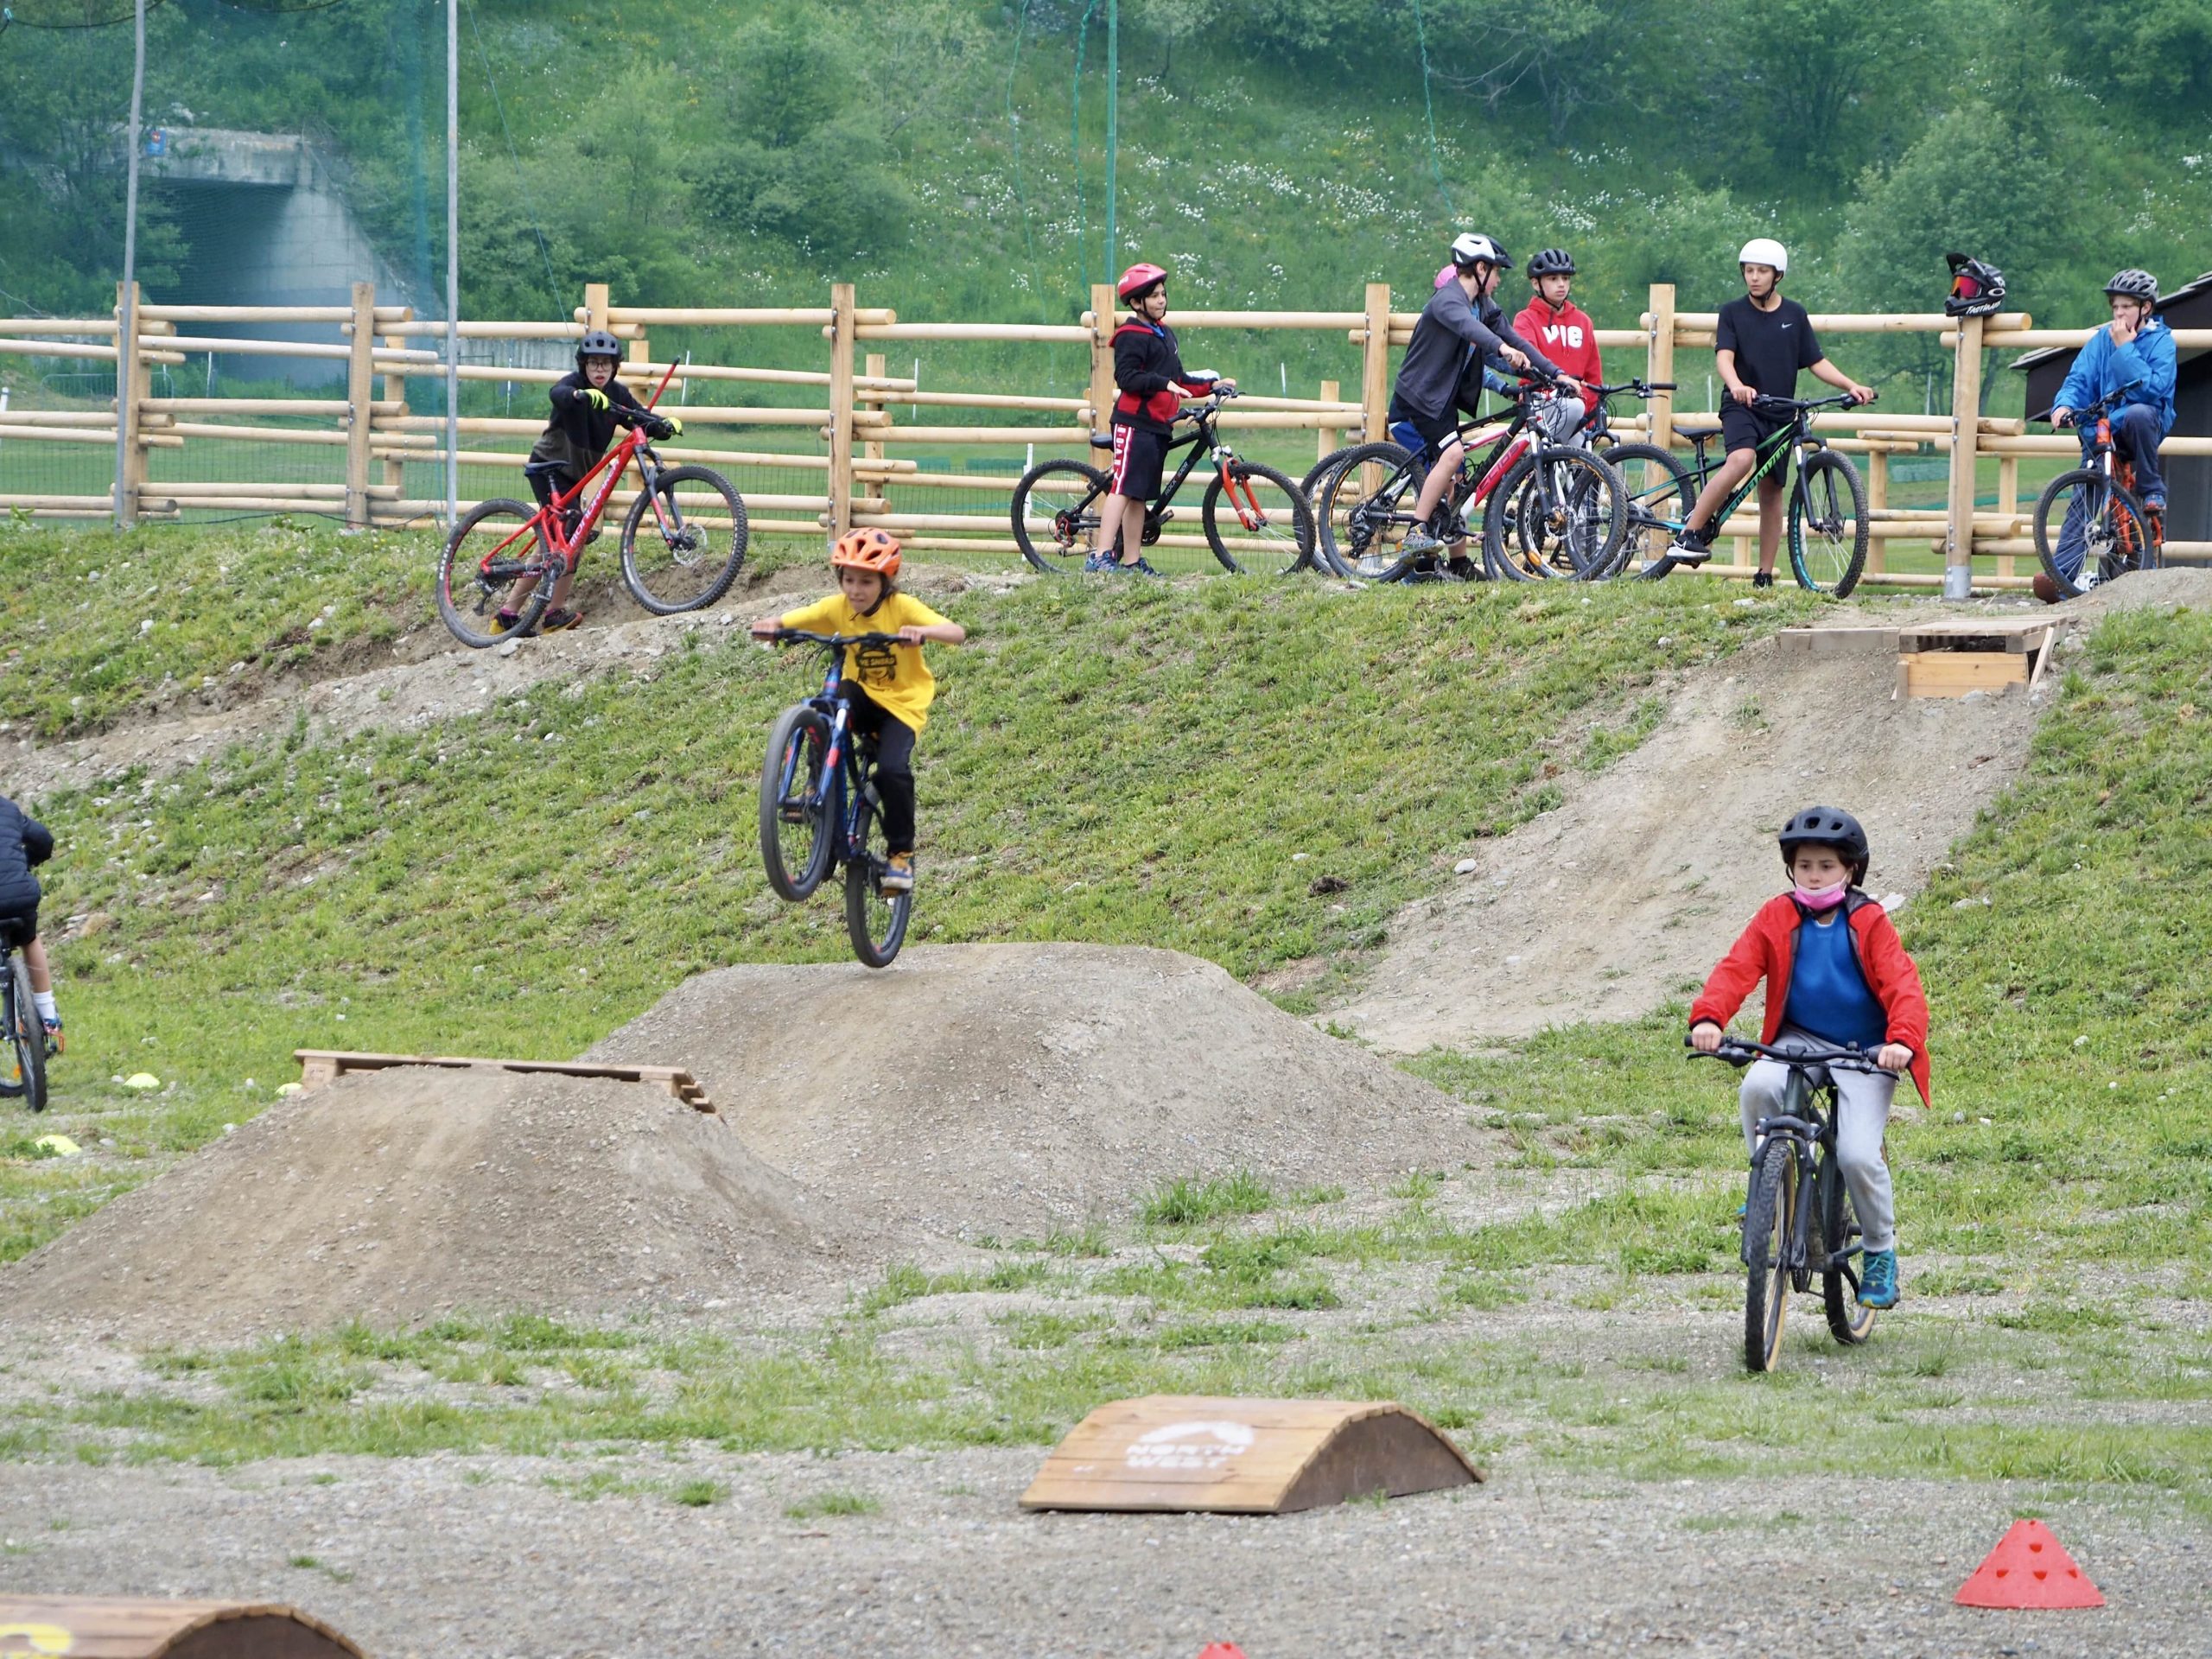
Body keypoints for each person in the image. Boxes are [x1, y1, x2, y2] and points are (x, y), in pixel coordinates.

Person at [1688, 807, 1929, 1311]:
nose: (1814, 875)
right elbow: (1737, 967)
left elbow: (1903, 984)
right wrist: (1709, 1017)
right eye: (1804, 866)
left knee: (1857, 1154)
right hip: (1797, 1038)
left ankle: (1880, 1252)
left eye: (1825, 866)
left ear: (1850, 870)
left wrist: (1902, 1042)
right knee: (1758, 1087)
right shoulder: (1777, 915)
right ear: (1791, 869)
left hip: (1866, 1049)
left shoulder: (1868, 921)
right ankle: (1768, 1188)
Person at [750, 530, 966, 893]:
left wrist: (922, 632)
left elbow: (956, 632)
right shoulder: (838, 608)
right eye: (848, 580)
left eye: (866, 582)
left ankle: (900, 855)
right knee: (828, 703)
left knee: (893, 772)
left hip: (901, 708)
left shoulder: (901, 607)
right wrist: (775, 626)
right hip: (860, 699)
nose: (855, 590)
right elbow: (799, 618)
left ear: (885, 581)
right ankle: (814, 788)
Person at [1662, 239, 1875, 587]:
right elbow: (1724, 358)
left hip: (1781, 411)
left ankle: (1764, 574)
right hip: (1742, 407)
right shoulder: (1732, 312)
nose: (1754, 277)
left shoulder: (1794, 315)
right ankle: (1689, 533)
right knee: (1741, 459)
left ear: (1778, 276)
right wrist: (1736, 385)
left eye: (1762, 271)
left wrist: (1851, 385)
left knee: (1772, 490)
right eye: (1749, 271)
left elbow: (1816, 361)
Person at [1394, 232, 1576, 579]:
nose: (1499, 279)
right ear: (1480, 269)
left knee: (1457, 479)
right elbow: (1472, 331)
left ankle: (1457, 563)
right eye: (1496, 272)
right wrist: (1503, 350)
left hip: (1441, 401)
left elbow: (1514, 338)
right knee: (1453, 456)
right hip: (1419, 397)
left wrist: (1556, 373)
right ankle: (1416, 531)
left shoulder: (1483, 304)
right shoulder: (1448, 300)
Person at [501, 328, 681, 635]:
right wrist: (579, 396)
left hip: (575, 475)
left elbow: (638, 417)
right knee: (569, 533)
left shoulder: (617, 394)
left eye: (606, 363)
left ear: (614, 367)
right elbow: (557, 394)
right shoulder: (574, 385)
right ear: (583, 365)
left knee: (566, 542)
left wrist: (663, 425)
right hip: (549, 467)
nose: (600, 369)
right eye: (593, 363)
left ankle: (519, 614)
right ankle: (538, 612)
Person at [1090, 264, 1234, 575]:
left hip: (1158, 425)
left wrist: (1212, 385)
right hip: (1133, 422)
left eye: (1163, 294)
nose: (1161, 300)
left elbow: (1179, 379)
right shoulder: (1130, 335)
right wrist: (1162, 383)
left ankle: (1132, 561)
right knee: (1122, 487)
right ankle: (1100, 557)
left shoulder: (1165, 333)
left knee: (1138, 494)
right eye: (1154, 296)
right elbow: (1126, 378)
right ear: (1136, 302)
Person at [2051, 268, 2175, 528]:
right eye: (2115, 307)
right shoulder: (2101, 340)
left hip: (2141, 427)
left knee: (2139, 413)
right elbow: (2079, 379)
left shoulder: (2161, 342)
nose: (2119, 313)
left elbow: (2151, 390)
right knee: (2083, 498)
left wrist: (2125, 348)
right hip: (2103, 427)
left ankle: (2151, 490)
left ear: (2145, 308)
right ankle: (2065, 556)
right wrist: (2064, 404)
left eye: (2127, 307)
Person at [0, 794, 63, 1054]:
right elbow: (44, 840)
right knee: (30, 940)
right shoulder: (7, 808)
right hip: (20, 894)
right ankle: (49, 1016)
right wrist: (24, 862)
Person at [1512, 248, 1603, 420]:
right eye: (1553, 278)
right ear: (1536, 284)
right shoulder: (1525, 320)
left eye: (1566, 278)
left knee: (1578, 414)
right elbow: (1530, 365)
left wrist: (1590, 414)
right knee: (1571, 410)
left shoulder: (1583, 321)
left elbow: (1593, 376)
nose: (1561, 284)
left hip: (1579, 409)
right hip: (1540, 407)